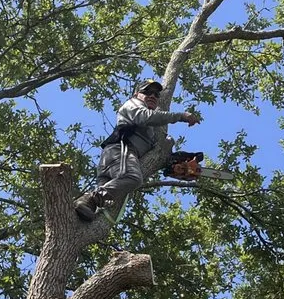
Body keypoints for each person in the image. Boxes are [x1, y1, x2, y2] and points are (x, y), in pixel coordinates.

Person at [74, 80, 201, 222]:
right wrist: (181, 116)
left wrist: (177, 161)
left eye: (156, 94)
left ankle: (83, 210)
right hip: (121, 151)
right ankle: (91, 198)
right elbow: (145, 117)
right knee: (133, 178)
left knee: (93, 213)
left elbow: (155, 151)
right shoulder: (133, 104)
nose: (152, 96)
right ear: (136, 95)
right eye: (147, 92)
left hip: (115, 159)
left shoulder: (149, 129)